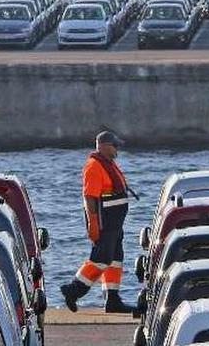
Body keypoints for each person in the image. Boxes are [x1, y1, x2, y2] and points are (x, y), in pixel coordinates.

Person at [61, 130, 136, 313]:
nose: (117, 149)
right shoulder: (94, 166)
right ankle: (73, 290)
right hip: (105, 223)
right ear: (103, 146)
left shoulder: (108, 163)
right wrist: (93, 223)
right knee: (101, 259)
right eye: (114, 146)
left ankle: (112, 300)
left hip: (115, 223)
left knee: (115, 260)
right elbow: (90, 197)